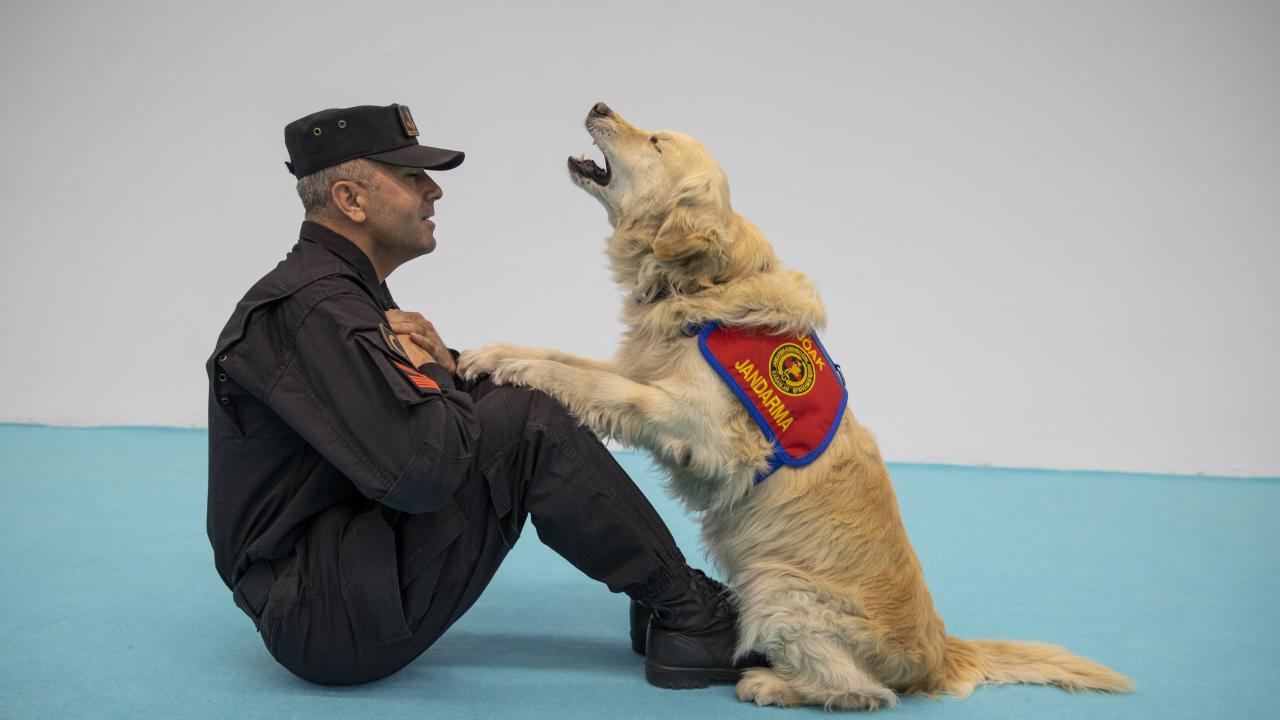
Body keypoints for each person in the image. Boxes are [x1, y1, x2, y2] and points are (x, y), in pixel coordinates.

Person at [206, 103, 760, 687]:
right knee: (527, 419)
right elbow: (427, 472)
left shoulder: (334, 294)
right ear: (351, 200)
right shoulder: (317, 309)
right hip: (326, 614)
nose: (433, 192)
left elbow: (405, 430)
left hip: (337, 577)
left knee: (506, 390)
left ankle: (670, 605)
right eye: (412, 177)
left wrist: (450, 369)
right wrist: (449, 383)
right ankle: (689, 615)